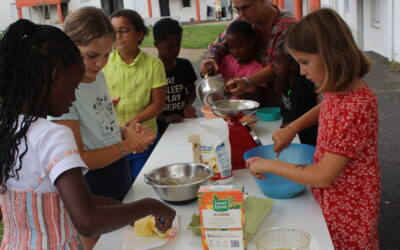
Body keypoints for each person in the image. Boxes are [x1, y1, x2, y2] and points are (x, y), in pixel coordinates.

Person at [0, 19, 175, 250]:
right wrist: (150, 205)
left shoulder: (9, 131)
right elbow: (87, 221)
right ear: (55, 77)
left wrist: (118, 207)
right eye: (73, 86)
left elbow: (52, 198)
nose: (74, 97)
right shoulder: (54, 135)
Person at [246, 8, 380, 249]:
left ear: (330, 54)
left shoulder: (357, 105)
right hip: (334, 197)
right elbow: (328, 106)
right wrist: (292, 128)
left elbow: (323, 176)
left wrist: (269, 164)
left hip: (348, 207)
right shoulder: (340, 88)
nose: (302, 72)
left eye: (305, 62)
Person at [47, 7, 156, 248]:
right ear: (67, 48)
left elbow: (101, 128)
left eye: (107, 55)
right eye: (91, 55)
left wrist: (124, 131)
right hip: (90, 183)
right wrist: (126, 146)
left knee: (127, 240)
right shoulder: (64, 91)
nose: (101, 64)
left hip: (117, 171)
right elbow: (80, 158)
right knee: (101, 244)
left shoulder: (96, 76)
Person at [103, 9, 167, 178]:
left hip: (144, 137)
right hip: (113, 140)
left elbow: (158, 104)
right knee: (121, 188)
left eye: (124, 31)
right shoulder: (103, 63)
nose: (118, 36)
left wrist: (131, 123)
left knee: (143, 185)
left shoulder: (154, 64)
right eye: (114, 32)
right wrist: (122, 130)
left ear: (139, 34)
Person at [200, 0, 297, 107]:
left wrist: (246, 82)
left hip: (281, 105)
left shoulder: (286, 26)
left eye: (245, 8)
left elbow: (276, 67)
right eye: (237, 9)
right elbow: (219, 45)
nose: (241, 14)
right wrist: (211, 60)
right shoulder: (243, 20)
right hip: (251, 109)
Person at [152, 18, 198, 135]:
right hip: (159, 128)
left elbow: (192, 92)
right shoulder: (150, 70)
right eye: (170, 46)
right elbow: (146, 104)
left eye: (178, 44)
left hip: (183, 121)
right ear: (157, 45)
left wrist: (187, 106)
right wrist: (164, 118)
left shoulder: (185, 65)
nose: (176, 50)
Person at [275, 46, 318, 146]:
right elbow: (284, 108)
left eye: (278, 63)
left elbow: (295, 114)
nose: (274, 66)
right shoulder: (286, 82)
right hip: (294, 132)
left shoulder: (301, 86)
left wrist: (288, 121)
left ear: (292, 66)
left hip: (306, 138)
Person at [217, 19, 267, 105]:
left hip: (247, 114)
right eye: (231, 47)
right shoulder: (227, 60)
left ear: (251, 41)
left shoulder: (258, 69)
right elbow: (214, 75)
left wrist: (238, 92)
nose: (235, 51)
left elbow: (258, 98)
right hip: (226, 110)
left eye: (239, 46)